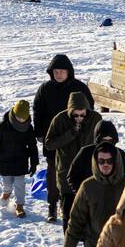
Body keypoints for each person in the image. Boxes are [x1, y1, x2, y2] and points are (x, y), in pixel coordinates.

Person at [33, 55, 94, 222]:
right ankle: (52, 205)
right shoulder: (45, 89)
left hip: (78, 139)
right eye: (55, 71)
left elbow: (90, 110)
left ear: (69, 72)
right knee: (53, 173)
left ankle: (78, 205)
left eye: (62, 71)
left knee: (78, 171)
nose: (58, 74)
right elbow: (37, 111)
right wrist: (39, 132)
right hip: (54, 138)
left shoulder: (79, 88)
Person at [63, 143, 125, 247]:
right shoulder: (88, 187)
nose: (105, 165)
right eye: (101, 161)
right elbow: (75, 222)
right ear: (96, 162)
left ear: (116, 161)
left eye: (109, 161)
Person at [44, 91, 102, 233]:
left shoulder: (95, 118)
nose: (79, 118)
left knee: (90, 211)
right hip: (66, 172)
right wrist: (71, 133)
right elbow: (49, 144)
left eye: (82, 115)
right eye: (75, 115)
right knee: (68, 213)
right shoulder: (59, 120)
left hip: (89, 171)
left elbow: (103, 139)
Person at [0, 99, 38, 219]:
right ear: (14, 114)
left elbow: (33, 147)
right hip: (4, 160)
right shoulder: (3, 126)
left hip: (21, 161)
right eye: (19, 118)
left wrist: (34, 163)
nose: (21, 121)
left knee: (19, 184)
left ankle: (19, 205)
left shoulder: (28, 128)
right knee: (6, 183)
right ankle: (6, 194)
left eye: (24, 119)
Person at [67, 120, 125, 196]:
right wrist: (82, 194)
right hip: (90, 198)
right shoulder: (85, 152)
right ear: (98, 139)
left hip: (115, 199)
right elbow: (72, 176)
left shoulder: (120, 154)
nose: (107, 143)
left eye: (110, 140)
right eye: (103, 140)